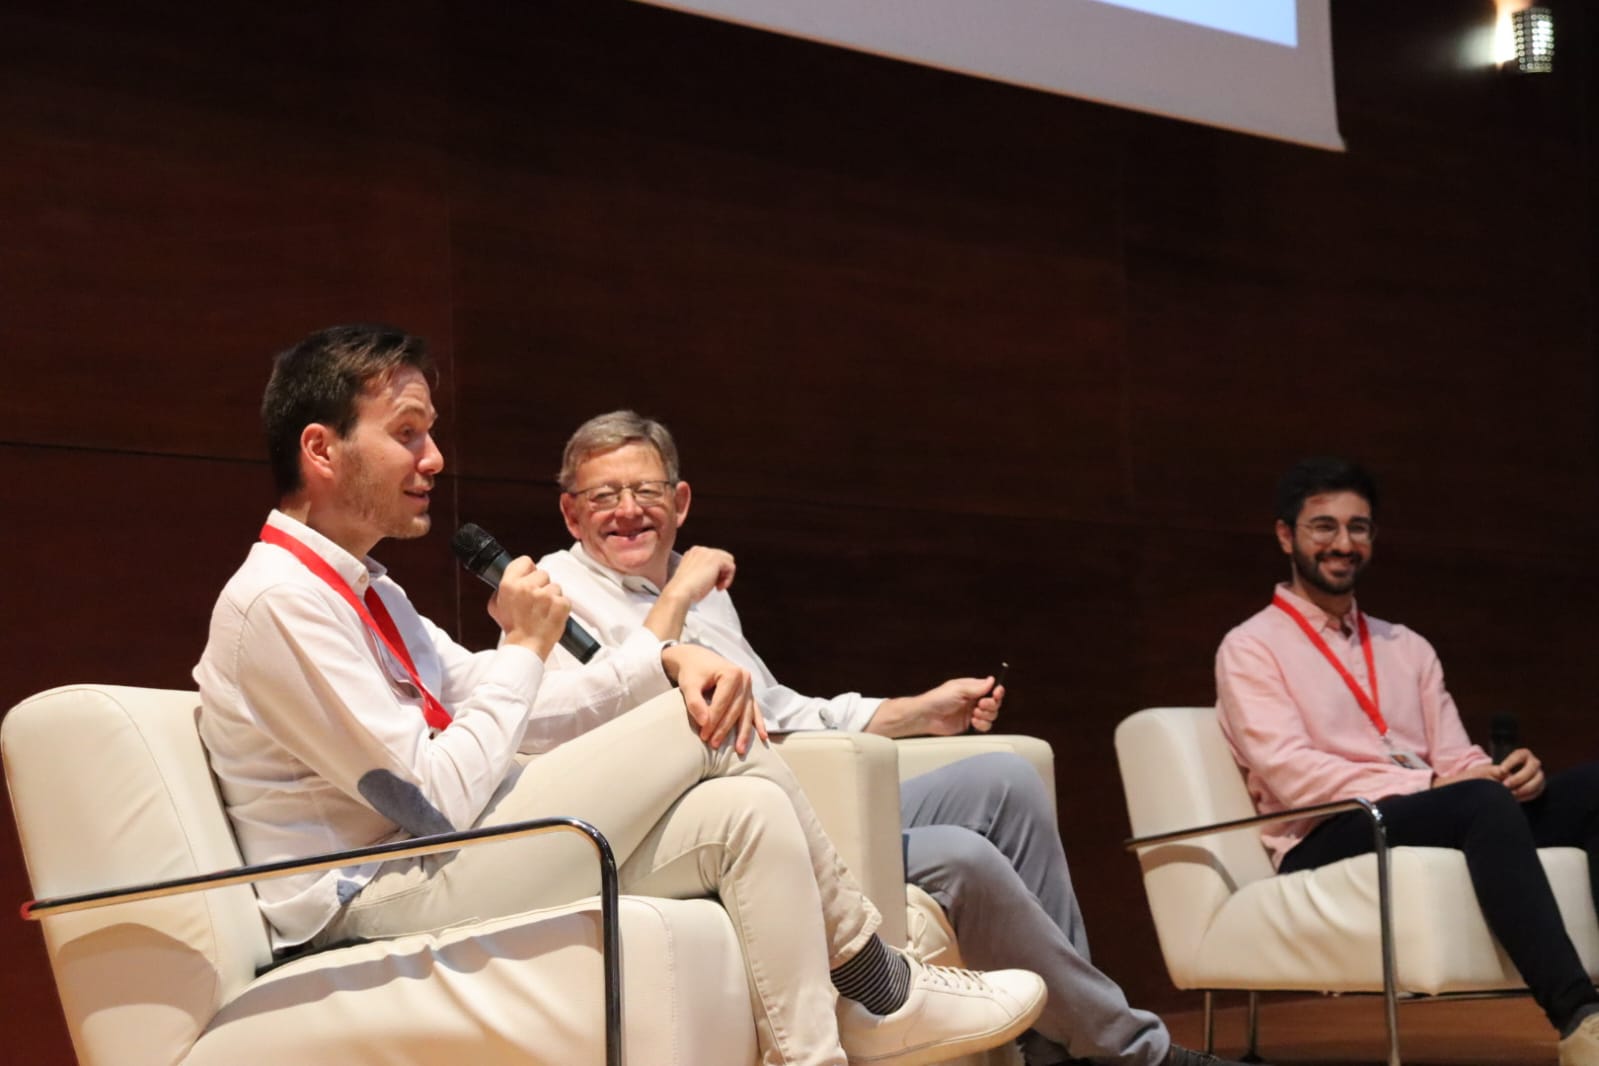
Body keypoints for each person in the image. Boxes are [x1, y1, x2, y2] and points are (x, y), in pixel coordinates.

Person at [193, 325, 1047, 1066]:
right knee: (707, 723)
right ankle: (878, 981)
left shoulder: (368, 589)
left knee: (746, 810)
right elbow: (433, 799)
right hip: (369, 897)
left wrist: (662, 663)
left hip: (437, 859)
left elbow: (504, 702)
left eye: (431, 432)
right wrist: (530, 645)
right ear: (321, 450)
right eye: (408, 433)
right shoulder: (280, 600)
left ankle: (828, 1042)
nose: (434, 458)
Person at [529, 409, 1258, 1066]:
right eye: (602, 497)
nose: (627, 512)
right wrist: (683, 594)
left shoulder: (703, 595)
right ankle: (1127, 1053)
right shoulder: (554, 594)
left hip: (798, 780)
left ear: (680, 502)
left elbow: (787, 711)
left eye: (646, 492)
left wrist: (915, 711)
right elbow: (629, 714)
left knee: (1004, 777)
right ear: (570, 514)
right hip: (717, 817)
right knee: (960, 855)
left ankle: (1053, 1049)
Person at [1215, 456, 1599, 1066]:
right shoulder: (1250, 647)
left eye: (1359, 527)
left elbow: (1455, 754)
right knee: (1475, 800)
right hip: (1328, 827)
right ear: (1286, 535)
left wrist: (1504, 772)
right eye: (1324, 527)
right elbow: (1293, 775)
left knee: (1586, 789)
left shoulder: (1407, 646)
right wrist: (1439, 783)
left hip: (1437, 809)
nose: (1343, 543)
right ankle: (1579, 1019)